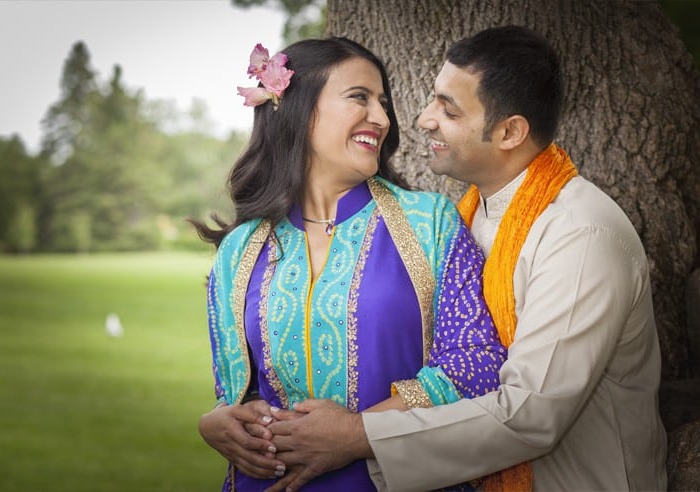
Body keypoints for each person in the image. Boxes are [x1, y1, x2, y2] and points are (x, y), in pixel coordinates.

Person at [264, 26, 668, 492]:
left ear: (509, 131)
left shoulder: (579, 232)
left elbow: (533, 413)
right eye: (434, 100)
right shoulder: (466, 218)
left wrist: (357, 435)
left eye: (448, 109)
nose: (421, 120)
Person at [192, 37, 507, 491]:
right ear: (297, 107)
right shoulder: (239, 251)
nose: (381, 118)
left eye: (383, 103)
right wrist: (218, 420)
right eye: (360, 98)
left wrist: (356, 433)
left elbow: (478, 362)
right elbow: (235, 390)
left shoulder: (429, 223)